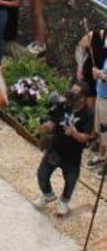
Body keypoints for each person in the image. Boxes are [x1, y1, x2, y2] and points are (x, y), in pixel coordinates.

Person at [35, 83, 94, 217]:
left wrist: (73, 133)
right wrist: (46, 127)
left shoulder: (88, 115)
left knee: (71, 180)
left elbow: (86, 137)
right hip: (56, 149)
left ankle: (64, 202)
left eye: (74, 94)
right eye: (70, 92)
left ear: (83, 98)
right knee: (42, 175)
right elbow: (53, 121)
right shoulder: (64, 106)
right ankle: (48, 195)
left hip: (73, 155)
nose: (70, 96)